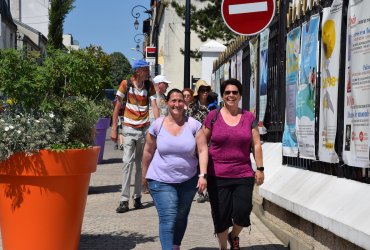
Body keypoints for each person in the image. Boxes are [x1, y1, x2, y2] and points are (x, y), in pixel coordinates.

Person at [142, 89, 208, 250]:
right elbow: (148, 151)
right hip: (160, 180)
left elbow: (203, 150)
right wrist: (144, 177)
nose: (177, 104)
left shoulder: (193, 125)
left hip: (188, 180)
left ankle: (175, 246)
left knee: (181, 216)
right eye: (173, 100)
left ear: (185, 103)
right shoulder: (158, 125)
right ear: (167, 103)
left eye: (180, 100)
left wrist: (203, 175)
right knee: (168, 217)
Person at [203, 79, 264, 250]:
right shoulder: (213, 116)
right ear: (222, 95)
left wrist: (260, 168)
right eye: (227, 92)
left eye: (235, 92)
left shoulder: (248, 117)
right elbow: (202, 144)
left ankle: (234, 236)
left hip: (243, 174)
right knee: (221, 215)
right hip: (217, 175)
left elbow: (256, 144)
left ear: (240, 95)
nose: (231, 95)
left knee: (243, 212)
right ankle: (224, 247)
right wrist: (201, 172)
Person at [111, 59, 159, 213]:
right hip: (129, 128)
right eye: (146, 70)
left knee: (140, 164)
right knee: (127, 163)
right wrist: (114, 129)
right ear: (138, 71)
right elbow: (117, 106)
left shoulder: (149, 85)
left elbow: (154, 106)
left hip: (144, 128)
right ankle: (124, 200)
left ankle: (137, 196)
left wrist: (158, 126)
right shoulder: (126, 84)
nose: (148, 72)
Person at [186, 79, 211, 203]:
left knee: (211, 165)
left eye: (206, 90)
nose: (205, 92)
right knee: (199, 166)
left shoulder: (213, 105)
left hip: (212, 140)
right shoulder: (192, 107)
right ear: (198, 92)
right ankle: (200, 192)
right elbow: (188, 124)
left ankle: (210, 192)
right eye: (202, 90)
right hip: (197, 140)